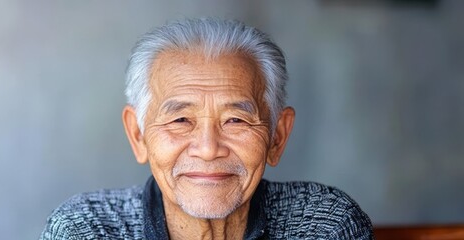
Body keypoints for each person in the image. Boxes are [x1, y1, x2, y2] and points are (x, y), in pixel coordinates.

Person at [41, 18, 374, 239]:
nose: (208, 147)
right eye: (180, 120)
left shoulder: (324, 225)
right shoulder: (86, 230)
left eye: (236, 120)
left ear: (277, 136)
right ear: (138, 135)